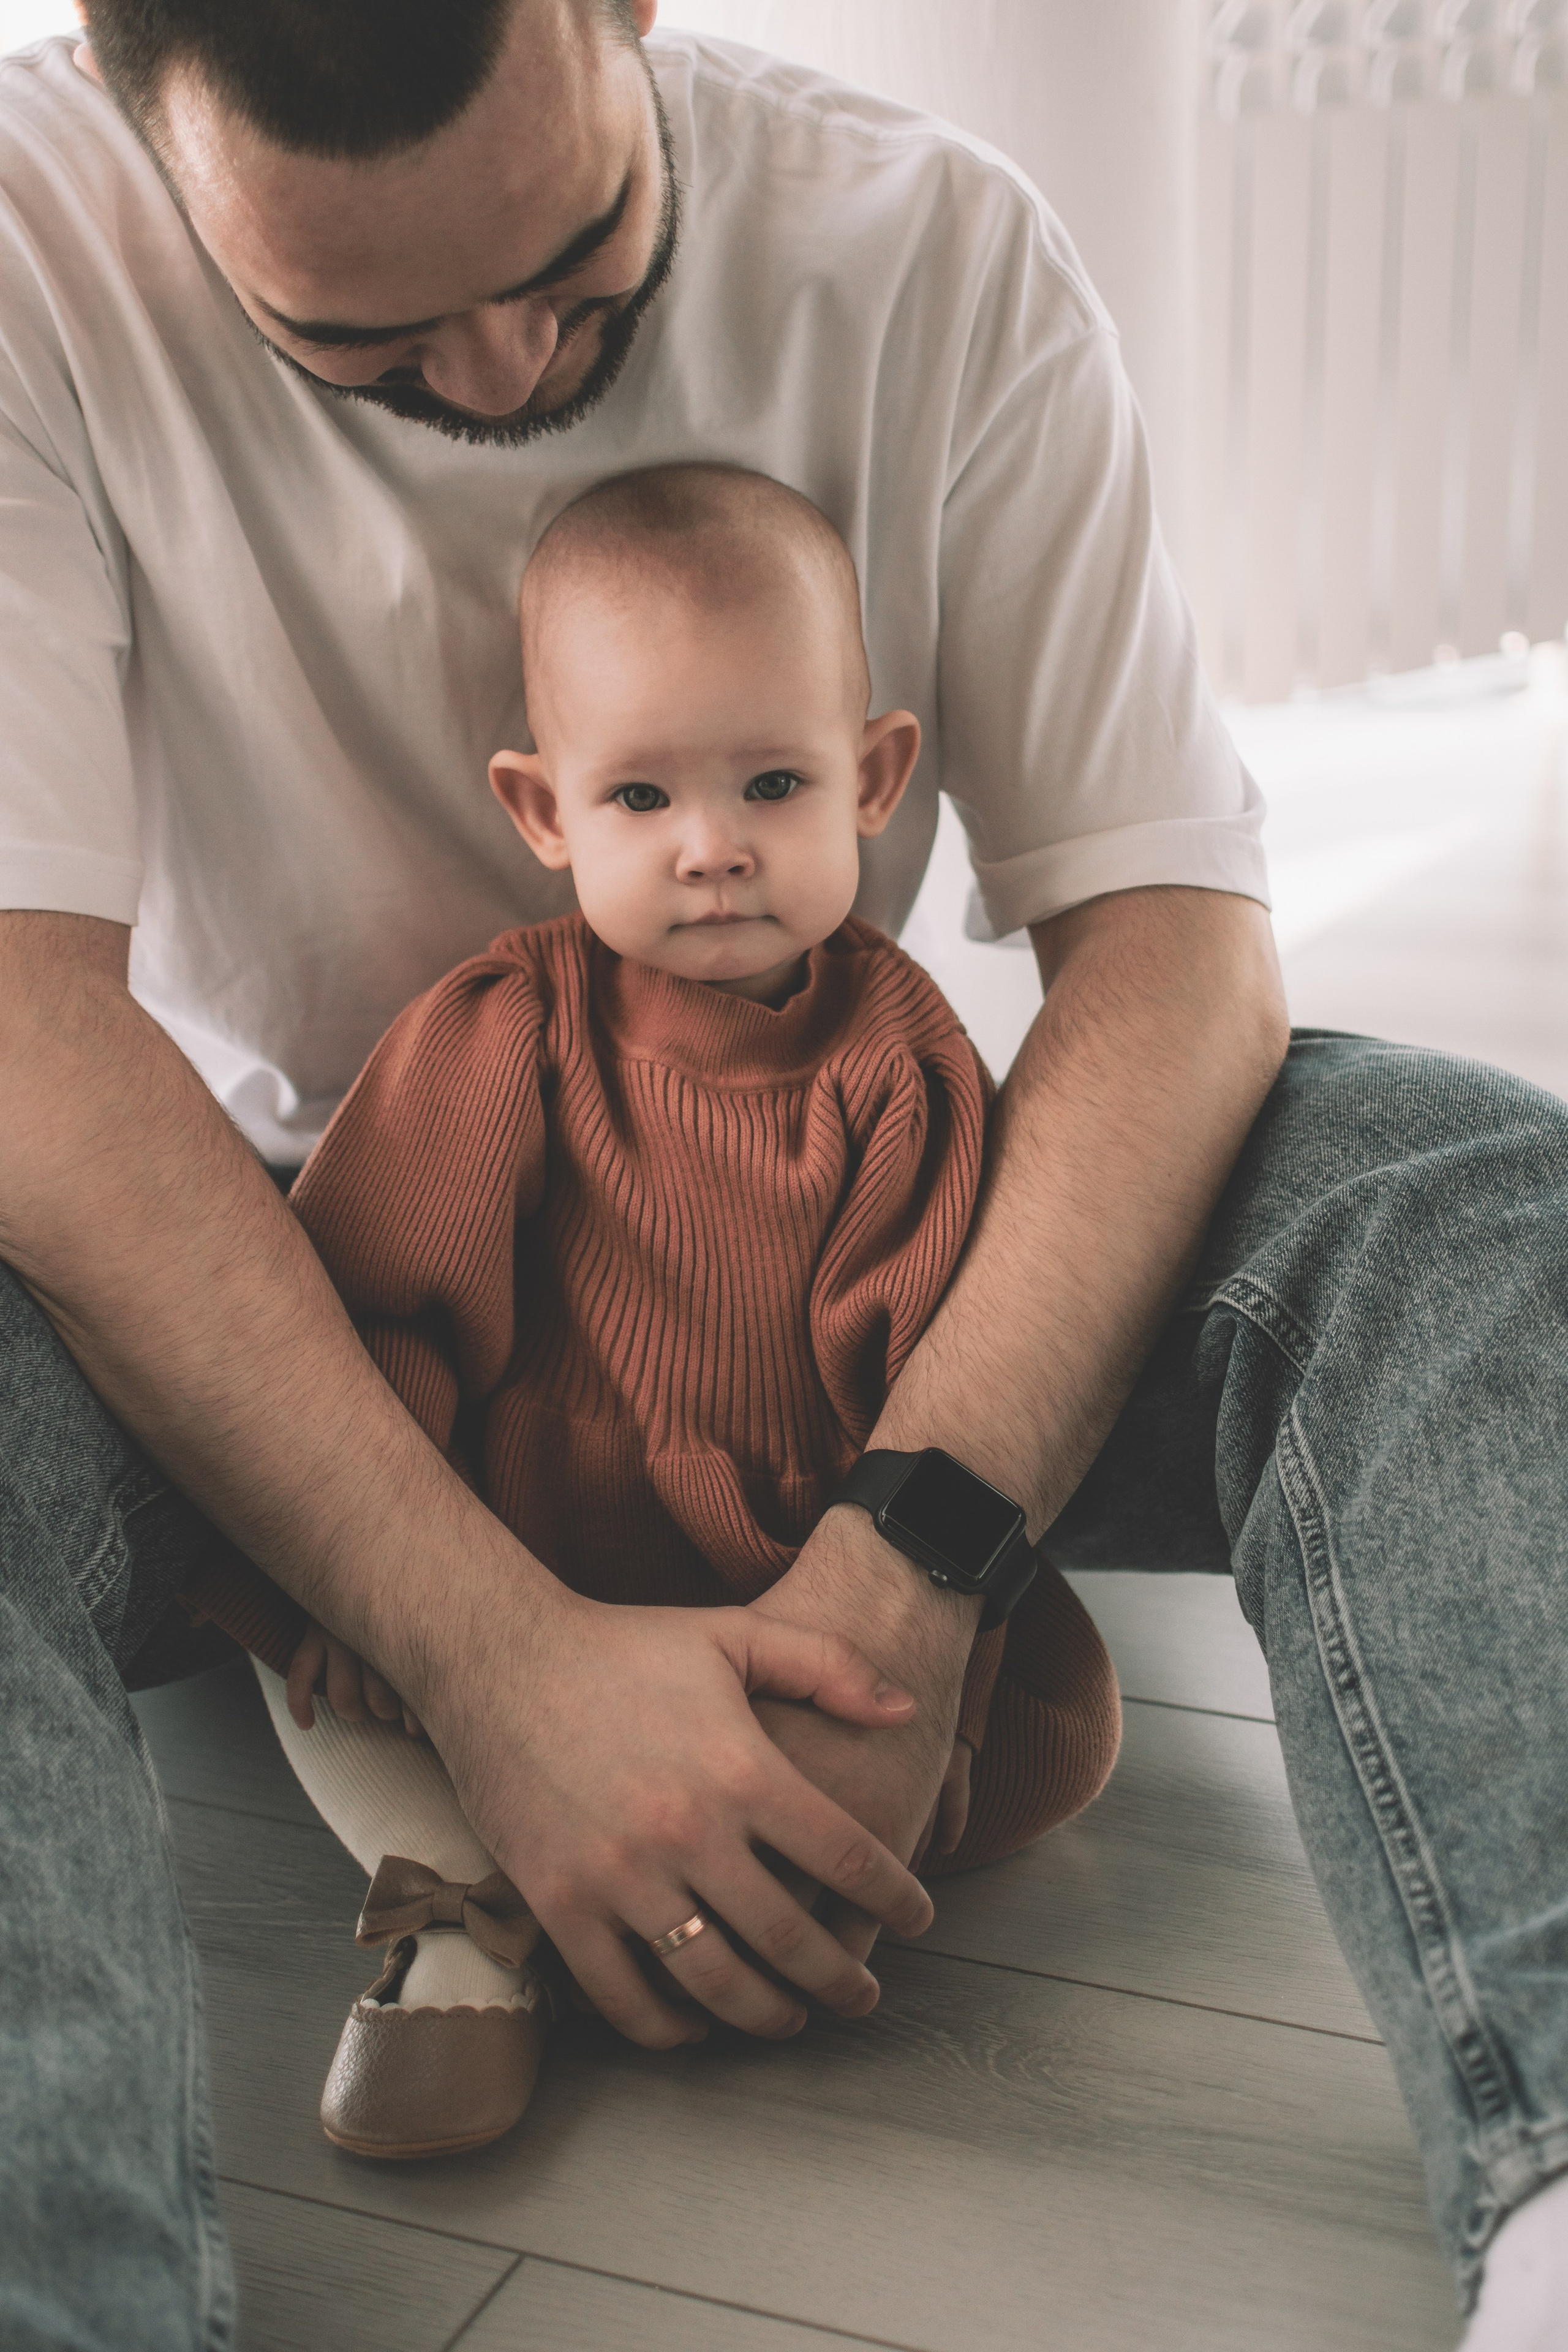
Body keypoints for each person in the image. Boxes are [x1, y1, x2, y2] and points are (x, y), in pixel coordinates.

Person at [0, 2, 1561, 2346]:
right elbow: (26, 1036)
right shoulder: (23, 257)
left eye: (582, 269)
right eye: (364, 335)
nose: (516, 367)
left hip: (852, 1312)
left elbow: (1173, 948)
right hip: (277, 1301)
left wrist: (918, 1560)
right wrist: (490, 1655)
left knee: (1447, 1182)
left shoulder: (932, 251)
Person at [181, 461, 1121, 2161]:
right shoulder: (504, 1028)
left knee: (1041, 1746)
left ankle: (727, 1868)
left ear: (877, 779)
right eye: (638, 800)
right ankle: (456, 1907)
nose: (710, 849)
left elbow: (931, 1375)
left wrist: (928, 1663)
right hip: (514, 1545)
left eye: (773, 781)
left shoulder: (903, 1064)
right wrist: (369, 1592)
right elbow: (383, 1295)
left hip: (780, 1559)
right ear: (545, 815)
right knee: (325, 1690)